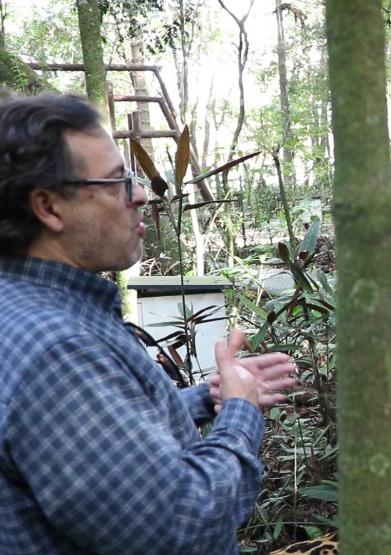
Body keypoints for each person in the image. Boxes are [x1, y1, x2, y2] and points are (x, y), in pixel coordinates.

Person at [0, 94, 297, 554]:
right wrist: (241, 413)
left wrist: (205, 398)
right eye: (118, 181)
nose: (140, 195)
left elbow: (97, 443)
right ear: (49, 207)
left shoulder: (26, 309)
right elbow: (178, 523)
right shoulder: (58, 349)